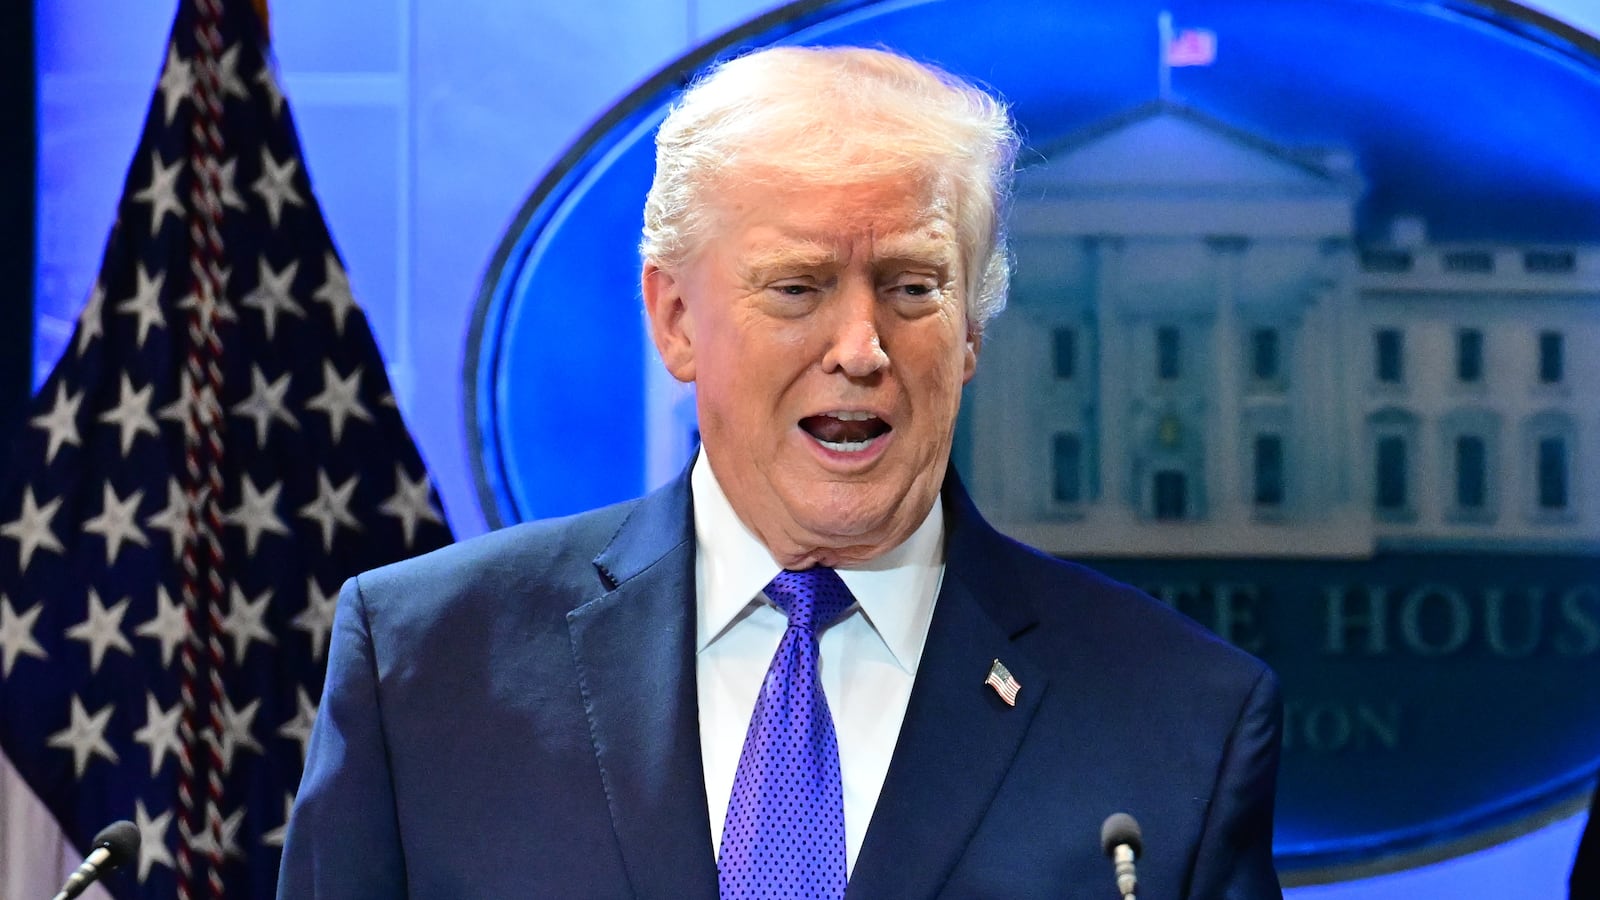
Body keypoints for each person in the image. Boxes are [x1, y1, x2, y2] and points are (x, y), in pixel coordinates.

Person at [278, 45, 1282, 898]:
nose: (860, 346)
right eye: (797, 287)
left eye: (912, 287)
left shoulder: (1183, 716)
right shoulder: (427, 665)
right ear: (675, 319)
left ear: (972, 329)